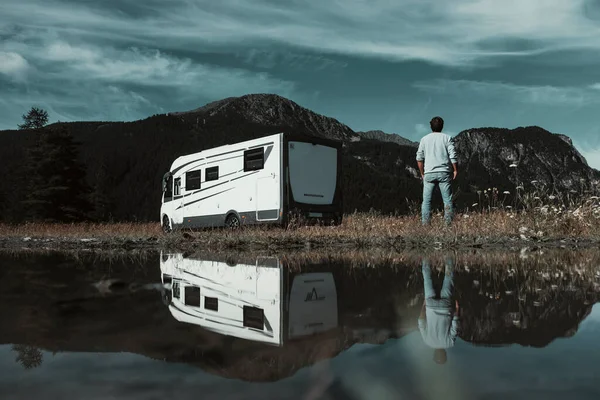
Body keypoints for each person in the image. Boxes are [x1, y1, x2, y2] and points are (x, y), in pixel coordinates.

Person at [416, 116, 458, 225]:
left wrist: (422, 173)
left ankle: (425, 225)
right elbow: (453, 156)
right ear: (442, 126)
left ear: (431, 126)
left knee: (426, 201)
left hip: (429, 173)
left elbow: (419, 158)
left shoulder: (424, 139)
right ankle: (447, 225)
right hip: (444, 172)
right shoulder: (447, 138)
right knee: (447, 200)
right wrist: (455, 170)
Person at [418, 256, 460, 365]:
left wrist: (457, 309)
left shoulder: (450, 343)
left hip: (445, 307)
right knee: (427, 278)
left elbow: (455, 323)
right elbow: (421, 322)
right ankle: (425, 256)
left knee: (448, 278)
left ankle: (449, 256)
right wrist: (424, 305)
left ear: (444, 354)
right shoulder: (427, 341)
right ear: (434, 354)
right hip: (430, 306)